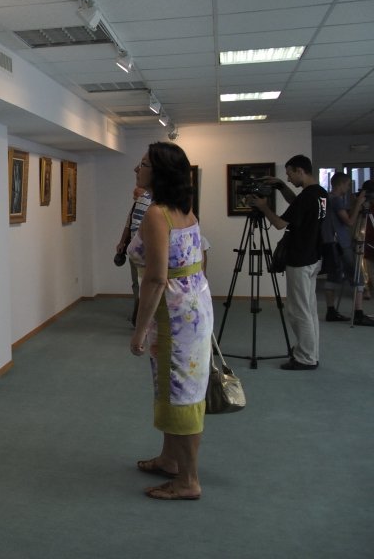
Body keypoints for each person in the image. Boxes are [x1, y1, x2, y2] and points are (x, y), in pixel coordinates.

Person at [127, 142, 212, 501]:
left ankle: (188, 480)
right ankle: (170, 459)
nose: (137, 169)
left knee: (180, 391)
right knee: (174, 387)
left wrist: (140, 330)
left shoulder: (156, 215)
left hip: (175, 315)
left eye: (144, 164)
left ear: (159, 172)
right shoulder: (183, 208)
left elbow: (156, 278)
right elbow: (200, 258)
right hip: (193, 306)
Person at [249, 155, 327, 370]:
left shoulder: (307, 197)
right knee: (309, 309)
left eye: (289, 174)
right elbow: (297, 204)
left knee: (299, 311)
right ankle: (310, 352)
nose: (289, 178)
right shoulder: (320, 194)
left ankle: (305, 358)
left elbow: (280, 224)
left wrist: (264, 207)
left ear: (300, 171)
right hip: (313, 257)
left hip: (300, 259)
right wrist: (282, 186)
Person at [321, 174, 373, 325]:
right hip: (341, 244)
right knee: (358, 277)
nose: (349, 188)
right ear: (341, 184)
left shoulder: (326, 199)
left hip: (330, 243)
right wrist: (358, 203)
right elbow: (350, 221)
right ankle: (358, 314)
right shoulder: (337, 200)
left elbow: (338, 217)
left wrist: (354, 205)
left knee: (332, 276)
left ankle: (331, 311)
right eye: (348, 185)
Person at [116, 186, 153, 326]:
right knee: (137, 283)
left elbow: (137, 228)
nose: (133, 194)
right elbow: (129, 225)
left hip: (142, 250)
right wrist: (122, 242)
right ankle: (138, 315)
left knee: (142, 283)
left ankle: (140, 317)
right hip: (135, 250)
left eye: (136, 192)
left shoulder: (148, 202)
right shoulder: (135, 206)